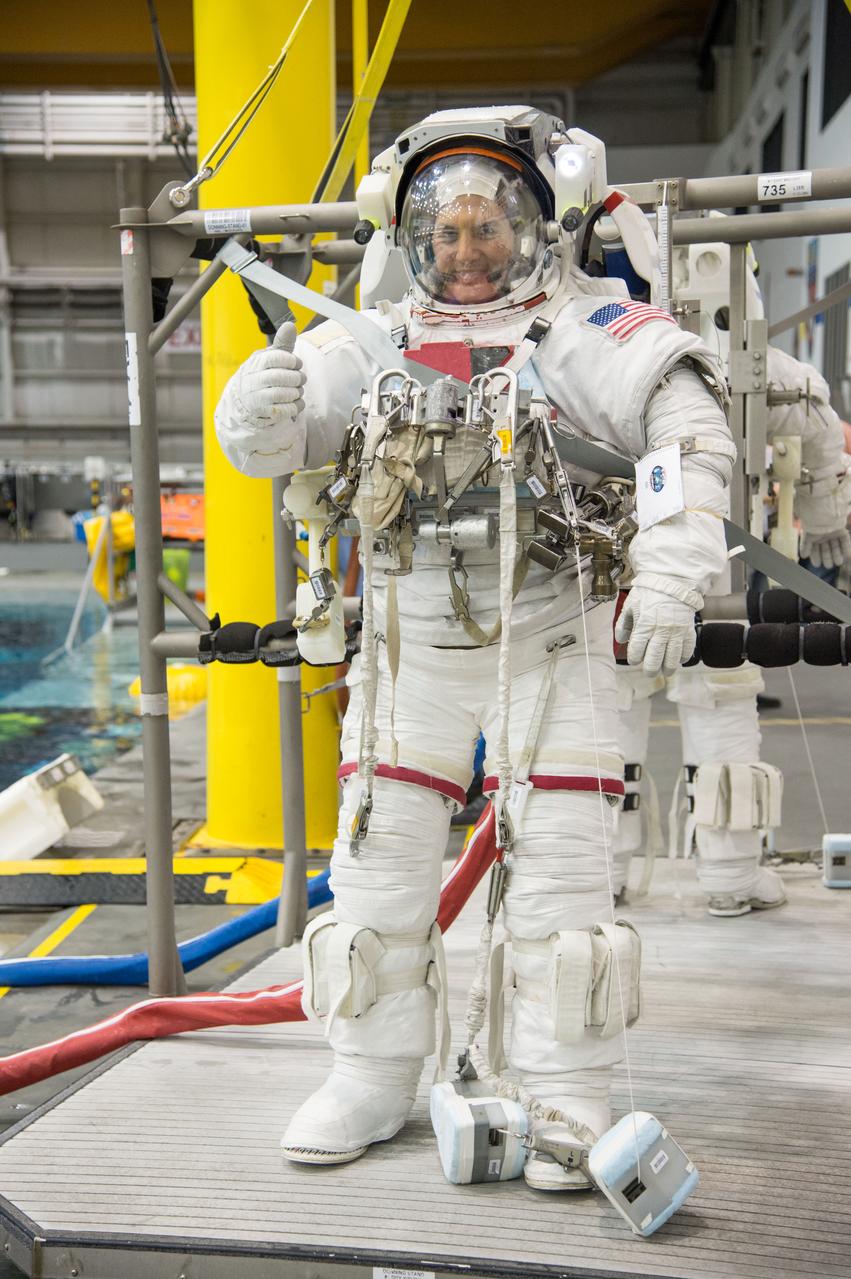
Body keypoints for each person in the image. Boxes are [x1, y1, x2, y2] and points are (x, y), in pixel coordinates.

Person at [215, 107, 735, 1189]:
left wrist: (676, 576)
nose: (464, 251)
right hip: (409, 642)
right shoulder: (363, 337)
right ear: (409, 238)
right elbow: (293, 432)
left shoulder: (595, 332)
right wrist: (253, 418)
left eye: (487, 229)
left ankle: (561, 1094)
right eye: (443, 232)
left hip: (561, 633)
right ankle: (367, 1069)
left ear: (539, 230)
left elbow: (687, 445)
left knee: (557, 880)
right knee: (377, 868)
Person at [612, 233, 849, 914]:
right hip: (709, 570)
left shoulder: (604, 367)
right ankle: (729, 877)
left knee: (610, 718)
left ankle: (609, 870)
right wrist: (827, 518)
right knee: (717, 713)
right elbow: (816, 425)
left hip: (614, 577)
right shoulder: (758, 368)